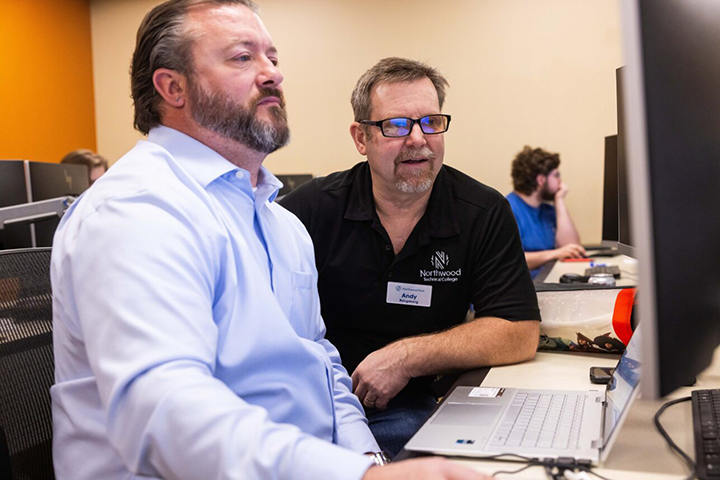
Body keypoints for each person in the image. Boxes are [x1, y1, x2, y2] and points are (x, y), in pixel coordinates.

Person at [49, 2, 488, 480]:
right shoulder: (138, 211)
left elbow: (321, 366)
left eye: (272, 58)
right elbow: (167, 414)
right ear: (172, 87)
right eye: (243, 58)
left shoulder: (281, 223)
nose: (272, 74)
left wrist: (368, 460)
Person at [280, 57, 541, 457]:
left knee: (421, 450)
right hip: (314, 404)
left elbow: (519, 331)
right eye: (396, 125)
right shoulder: (308, 212)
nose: (418, 139)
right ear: (360, 138)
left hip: (408, 407)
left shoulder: (481, 212)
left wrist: (406, 357)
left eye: (431, 122)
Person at [506, 146, 585, 277]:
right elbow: (509, 260)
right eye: (556, 175)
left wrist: (559, 200)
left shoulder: (547, 209)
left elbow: (572, 247)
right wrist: (555, 254)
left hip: (549, 280)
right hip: (527, 288)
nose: (561, 182)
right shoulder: (508, 210)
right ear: (541, 180)